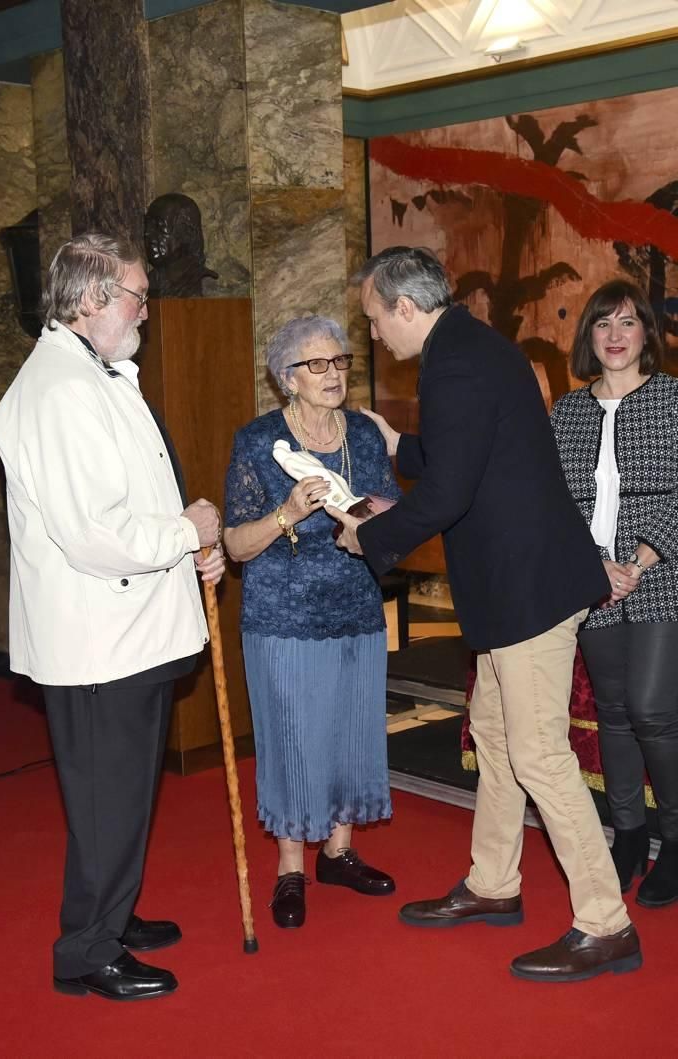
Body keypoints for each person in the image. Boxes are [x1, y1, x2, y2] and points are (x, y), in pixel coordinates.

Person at [332, 246, 642, 983]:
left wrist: (367, 534)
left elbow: (449, 493)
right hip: (515, 588)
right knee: (500, 739)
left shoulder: (457, 361)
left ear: (405, 308)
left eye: (375, 318)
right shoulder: (465, 348)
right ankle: (494, 881)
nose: (375, 334)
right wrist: (395, 442)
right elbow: (465, 453)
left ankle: (606, 922)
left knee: (537, 753)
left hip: (528, 589)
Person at [0, 233, 225, 1001]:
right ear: (91, 301)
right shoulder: (59, 390)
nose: (146, 309)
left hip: (129, 630)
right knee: (104, 802)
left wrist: (185, 543)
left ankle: (112, 917)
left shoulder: (96, 374)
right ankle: (87, 951)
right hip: (98, 639)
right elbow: (94, 534)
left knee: (124, 797)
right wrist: (187, 533)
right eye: (136, 294)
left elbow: (132, 501)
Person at [223, 316, 401, 929]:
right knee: (295, 741)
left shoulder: (365, 437)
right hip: (283, 617)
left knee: (352, 731)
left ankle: (340, 852)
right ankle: (291, 868)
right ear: (286, 378)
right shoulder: (257, 442)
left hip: (356, 607)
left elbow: (390, 510)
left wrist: (370, 519)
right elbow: (237, 545)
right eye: (317, 365)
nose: (333, 375)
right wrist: (285, 513)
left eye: (340, 362)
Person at [551, 279, 678, 908]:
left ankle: (675, 840)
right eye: (604, 325)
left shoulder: (674, 401)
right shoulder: (568, 413)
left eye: (628, 323)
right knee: (615, 712)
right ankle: (628, 833)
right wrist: (598, 565)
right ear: (588, 338)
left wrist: (641, 556)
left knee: (654, 709)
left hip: (663, 573)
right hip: (593, 579)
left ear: (647, 334)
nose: (616, 336)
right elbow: (555, 503)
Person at [143, 193, 218, 297]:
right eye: (148, 226)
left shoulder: (200, 280)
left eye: (159, 227)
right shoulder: (149, 281)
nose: (148, 233)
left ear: (186, 233)